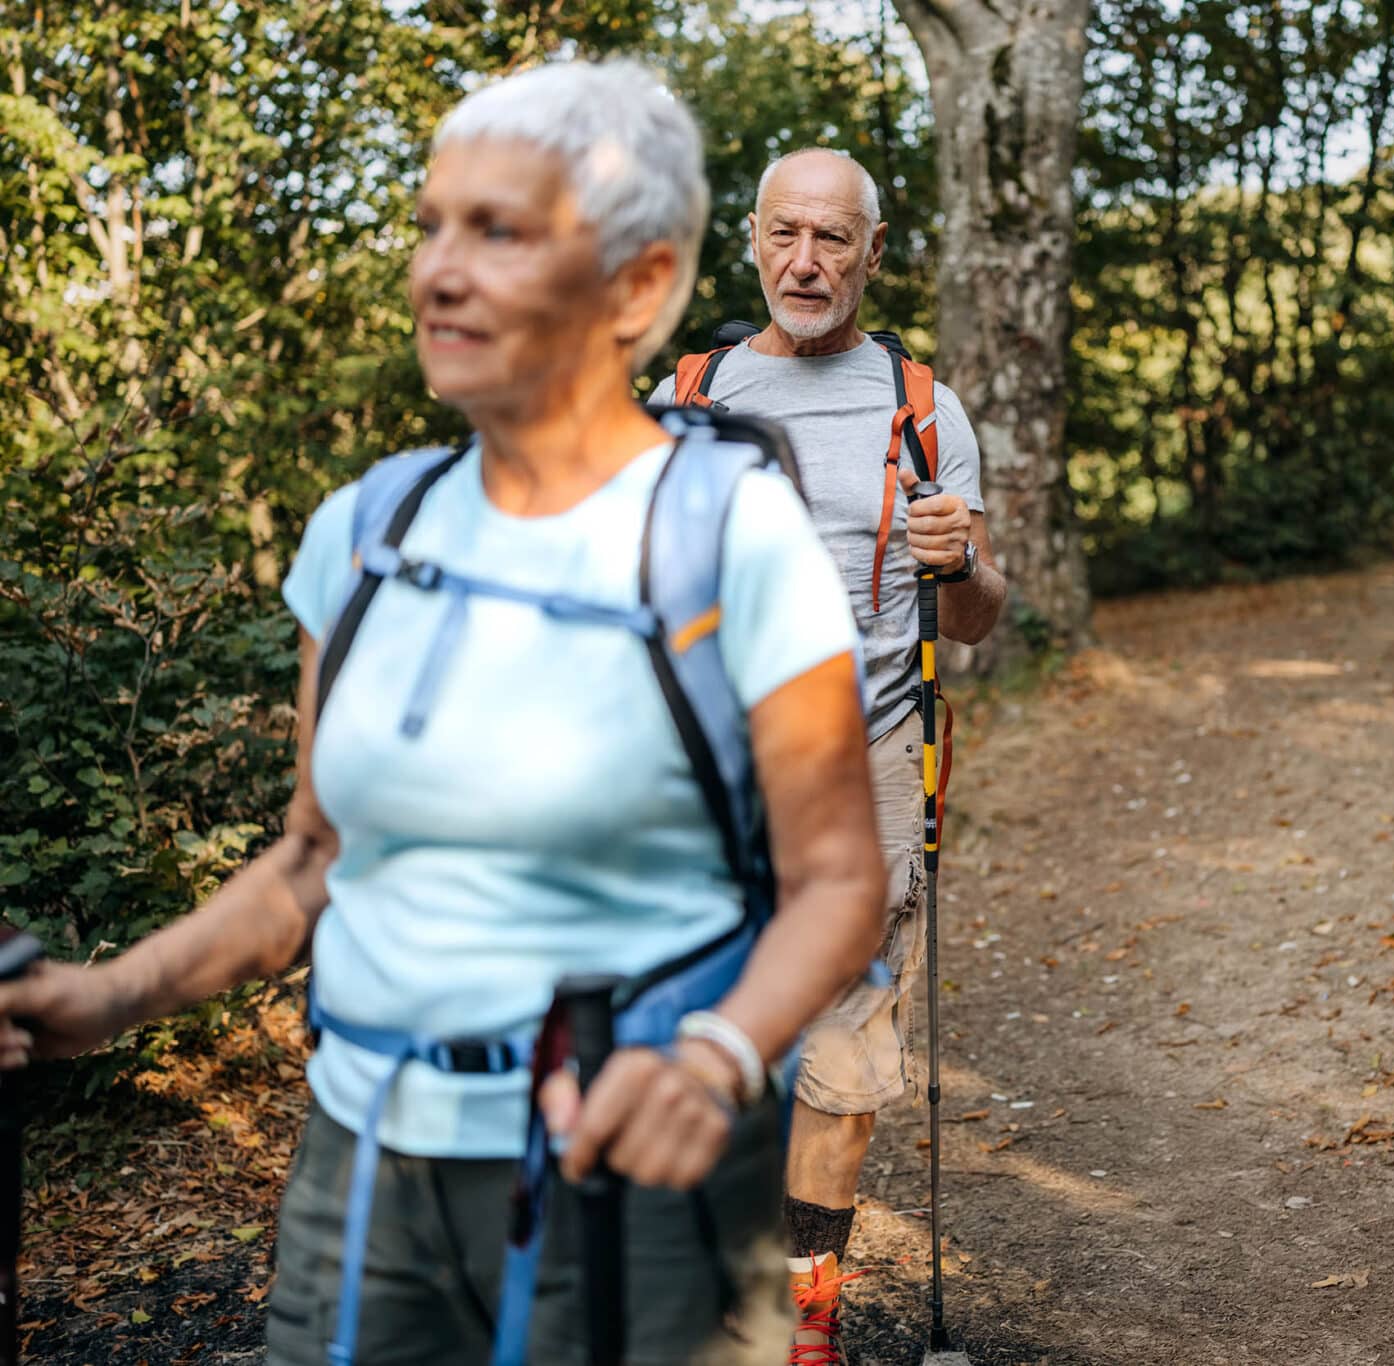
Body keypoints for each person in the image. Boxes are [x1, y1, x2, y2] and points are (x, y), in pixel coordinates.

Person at [0, 60, 885, 1365]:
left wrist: (714, 1060)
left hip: (633, 1178)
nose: (438, 271)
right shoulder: (369, 530)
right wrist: (106, 994)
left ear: (638, 286)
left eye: (500, 231)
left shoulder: (729, 534)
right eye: (430, 227)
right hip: (360, 1175)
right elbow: (315, 861)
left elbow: (838, 880)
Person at [651, 148, 1007, 1363]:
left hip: (864, 761)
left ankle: (805, 1323)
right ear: (753, 238)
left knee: (840, 1047)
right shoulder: (684, 395)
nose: (807, 262)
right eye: (787, 235)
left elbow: (968, 622)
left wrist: (959, 561)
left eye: (834, 239)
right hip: (706, 771)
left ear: (872, 246)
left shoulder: (922, 407)